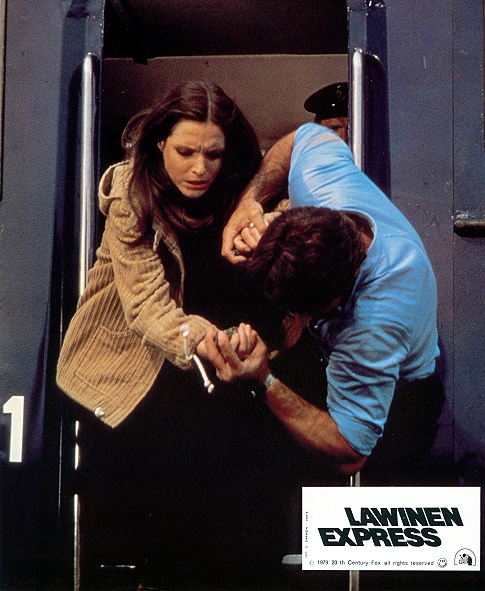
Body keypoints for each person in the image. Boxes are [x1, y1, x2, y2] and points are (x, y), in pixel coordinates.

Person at [56, 81, 283, 588]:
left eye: (213, 154)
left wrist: (267, 225)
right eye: (185, 152)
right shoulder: (130, 191)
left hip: (216, 364)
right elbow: (146, 306)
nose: (200, 168)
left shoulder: (243, 190)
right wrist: (210, 341)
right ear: (160, 143)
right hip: (132, 363)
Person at [210, 122, 443, 484]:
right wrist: (249, 202)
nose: (296, 322)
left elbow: (350, 452)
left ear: (339, 295)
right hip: (330, 353)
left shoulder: (375, 322)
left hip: (398, 397)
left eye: (303, 314)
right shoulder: (320, 182)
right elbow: (300, 138)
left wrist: (263, 379)